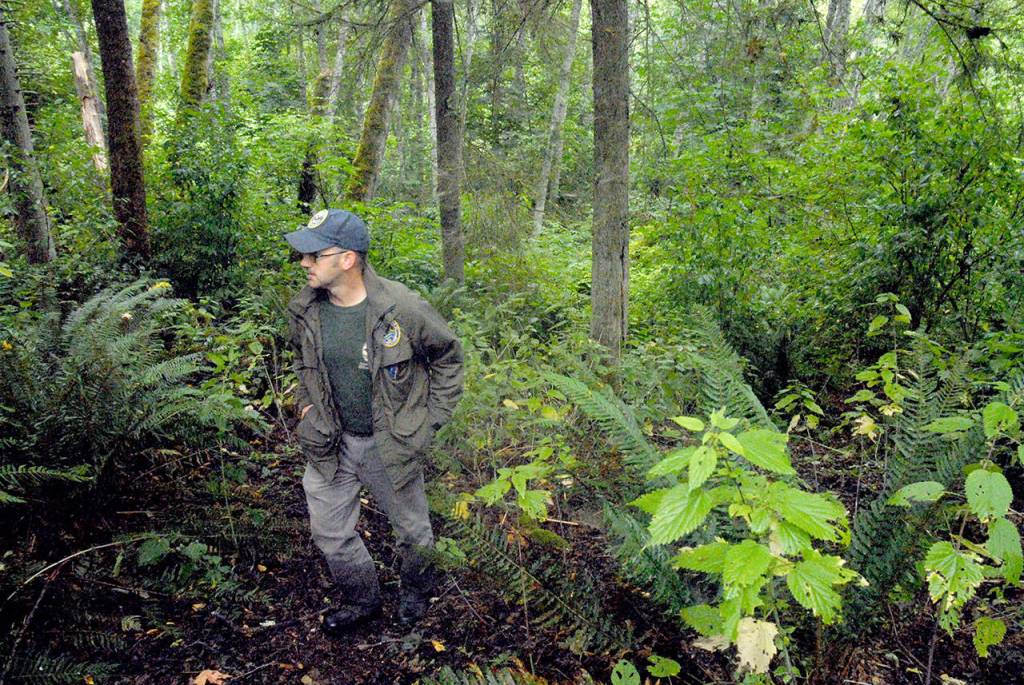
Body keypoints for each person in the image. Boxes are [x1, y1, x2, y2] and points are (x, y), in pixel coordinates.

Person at [284, 208, 464, 634]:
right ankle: (362, 600)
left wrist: (429, 421)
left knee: (414, 533)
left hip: (390, 444)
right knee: (330, 533)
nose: (304, 263)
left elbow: (448, 358)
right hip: (329, 441)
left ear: (347, 259)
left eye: (313, 255)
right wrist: (306, 406)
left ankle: (416, 596)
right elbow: (300, 361)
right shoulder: (306, 309)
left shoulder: (400, 309)